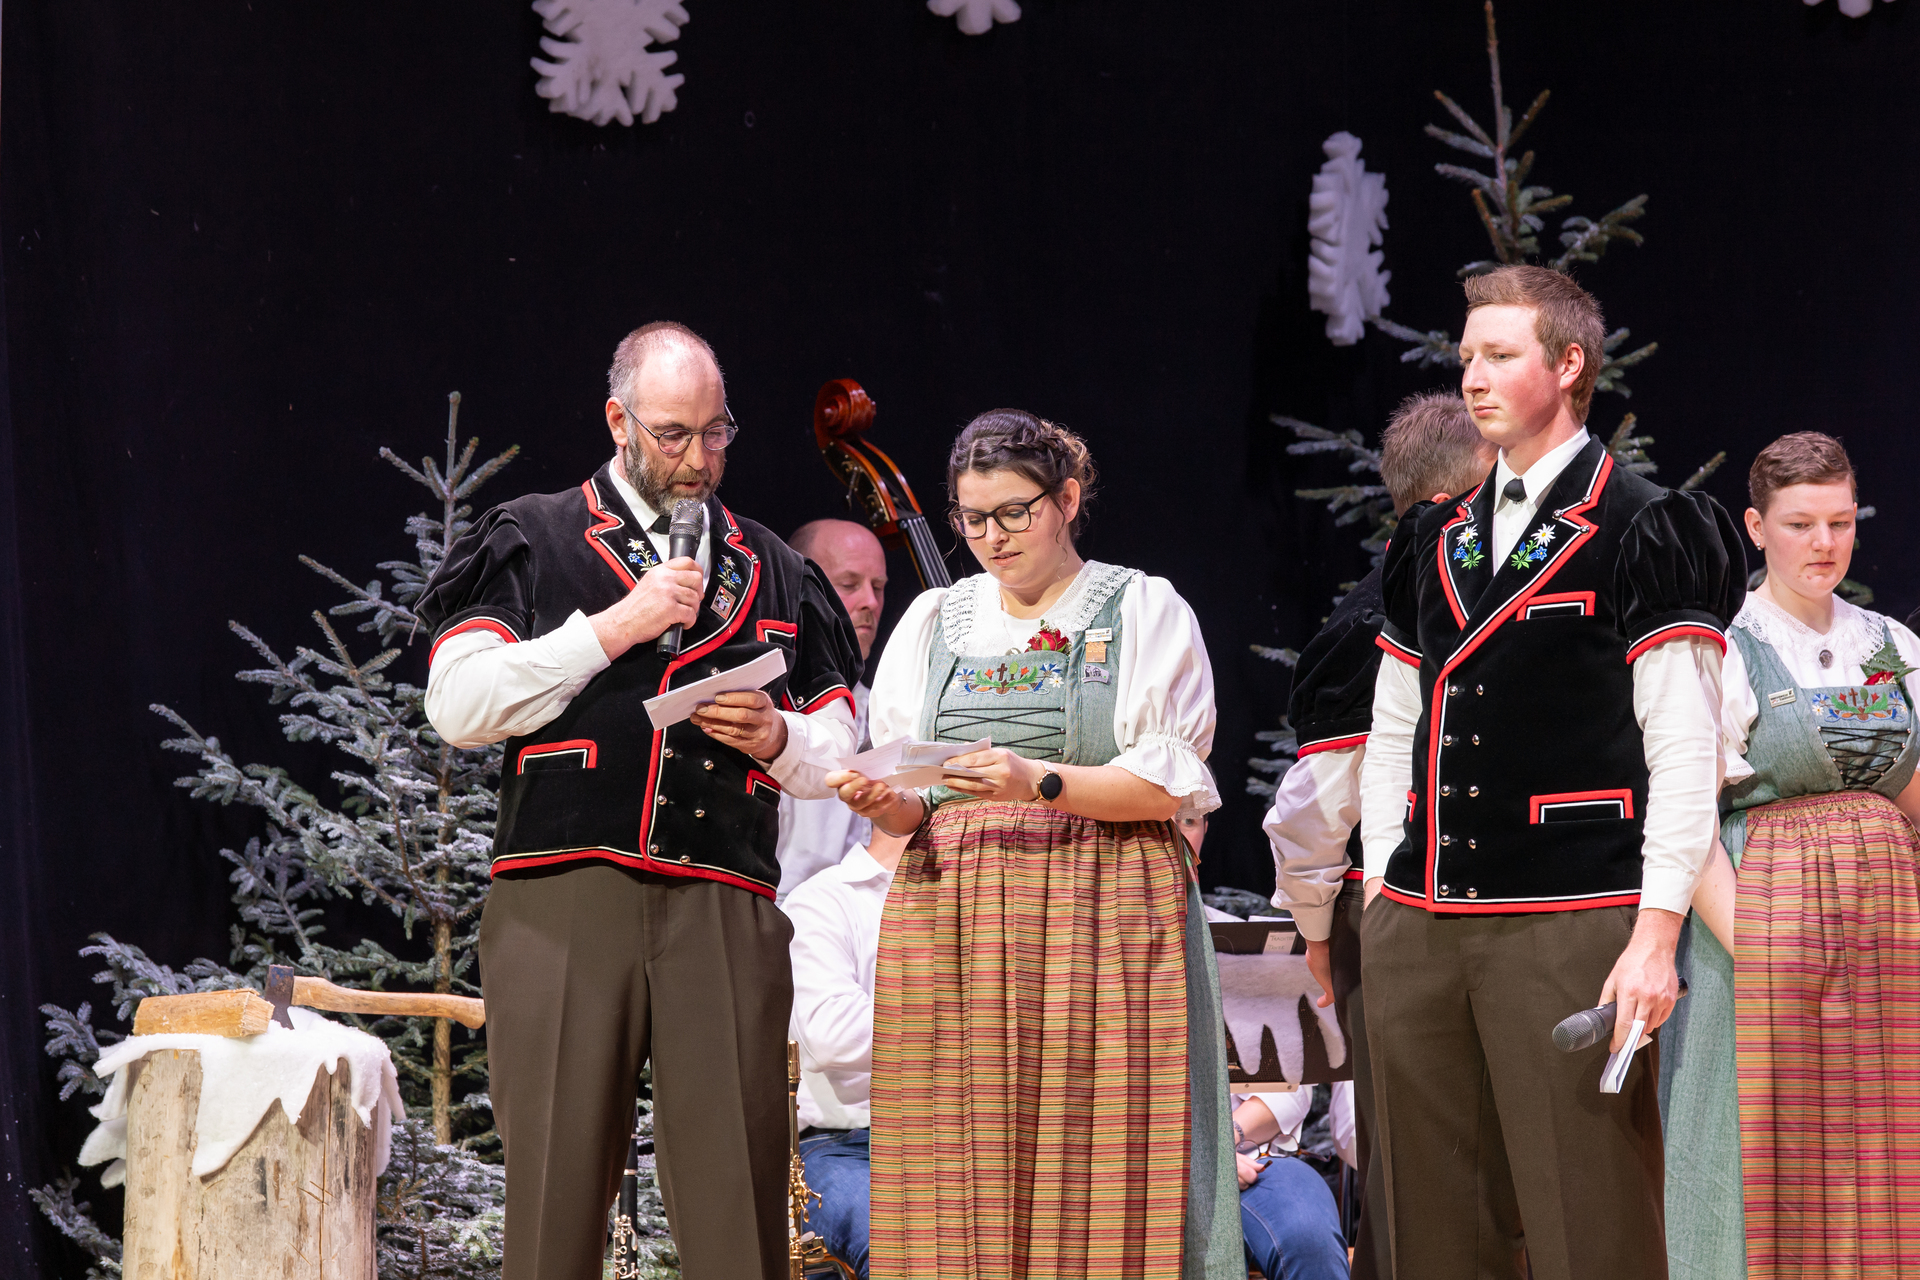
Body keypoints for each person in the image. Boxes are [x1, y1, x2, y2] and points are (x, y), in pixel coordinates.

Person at [416, 322, 864, 1280]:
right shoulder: (534, 536)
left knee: (739, 1205)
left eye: (716, 432)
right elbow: (457, 705)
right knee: (556, 1200)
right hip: (564, 897)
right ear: (618, 421)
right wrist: (616, 625)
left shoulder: (780, 568)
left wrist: (779, 738)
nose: (698, 458)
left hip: (725, 904)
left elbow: (842, 749)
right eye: (673, 434)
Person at [1358, 265, 1744, 1280]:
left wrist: (1655, 937)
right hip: (1420, 922)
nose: (1472, 377)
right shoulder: (1433, 535)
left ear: (1569, 364)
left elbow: (1684, 751)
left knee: (1592, 1230)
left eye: (1499, 355)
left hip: (1572, 922)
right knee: (1429, 1235)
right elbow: (1392, 726)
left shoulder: (1646, 524)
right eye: (1467, 356)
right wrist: (1381, 885)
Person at [827, 409, 1241, 1280]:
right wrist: (884, 802)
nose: (992, 537)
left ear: (1067, 500)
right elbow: (915, 804)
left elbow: (1167, 785)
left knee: (1098, 1157)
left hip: (1103, 906)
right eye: (973, 518)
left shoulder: (1140, 607)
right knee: (956, 1168)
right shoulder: (933, 619)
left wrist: (1037, 780)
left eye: (1013, 512)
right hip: (955, 921)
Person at [1662, 432, 1920, 1280]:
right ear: (1756, 527)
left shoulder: (1889, 644)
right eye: (1801, 524)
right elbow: (1689, 818)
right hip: (1762, 924)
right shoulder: (1724, 646)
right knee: (1760, 1142)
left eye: (1840, 523)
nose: (1824, 544)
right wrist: (1765, 950)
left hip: (1886, 937)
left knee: (1882, 1148)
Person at [1266, 389, 1498, 1280]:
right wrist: (1319, 930)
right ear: (1451, 501)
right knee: (1422, 1171)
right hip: (1402, 914)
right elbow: (1314, 810)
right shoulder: (1369, 626)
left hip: (1522, 906)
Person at [787, 827, 909, 1280]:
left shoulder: (993, 901)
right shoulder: (824, 899)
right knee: (903, 1244)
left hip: (970, 1139)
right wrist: (963, 1019)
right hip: (842, 1145)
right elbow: (833, 1034)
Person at [776, 518, 888, 901]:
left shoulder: (885, 708)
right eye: (849, 584)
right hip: (784, 914)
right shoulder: (767, 706)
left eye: (878, 587)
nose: (871, 602)